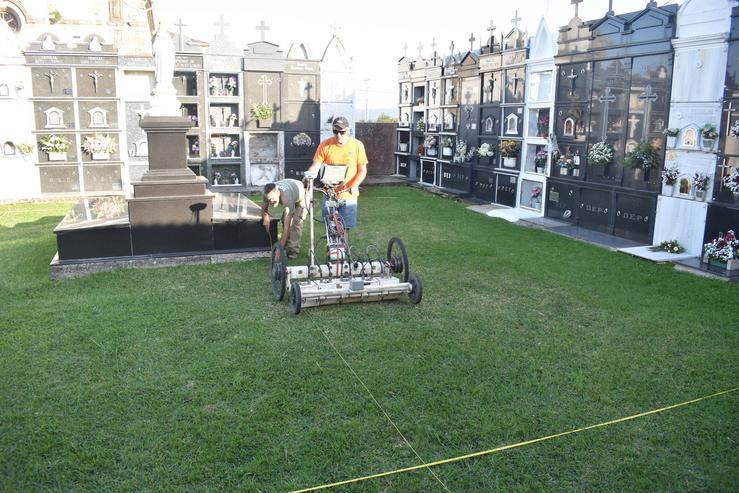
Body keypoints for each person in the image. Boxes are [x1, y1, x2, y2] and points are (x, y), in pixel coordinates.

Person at [306, 116, 368, 242]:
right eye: (335, 132)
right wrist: (309, 175)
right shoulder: (325, 145)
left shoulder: (357, 145)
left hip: (348, 195)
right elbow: (316, 165)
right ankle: (332, 255)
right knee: (331, 226)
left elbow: (362, 170)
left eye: (342, 132)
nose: (338, 135)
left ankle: (342, 255)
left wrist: (354, 186)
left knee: (345, 228)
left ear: (348, 130)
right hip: (329, 194)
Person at [261, 178, 307, 259]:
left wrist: (279, 251)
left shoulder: (286, 197)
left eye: (273, 198)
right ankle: (285, 244)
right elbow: (264, 209)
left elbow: (287, 227)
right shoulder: (266, 193)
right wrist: (266, 218)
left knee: (295, 223)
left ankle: (293, 250)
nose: (271, 201)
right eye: (269, 199)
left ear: (278, 193)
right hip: (290, 187)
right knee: (283, 220)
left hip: (301, 196)